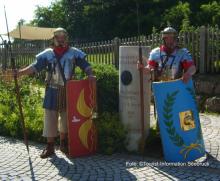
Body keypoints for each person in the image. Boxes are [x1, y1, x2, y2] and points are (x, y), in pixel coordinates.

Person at [16, 27, 95, 158]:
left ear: (66, 38)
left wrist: (90, 75)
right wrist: (20, 73)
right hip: (52, 89)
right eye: (58, 37)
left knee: (65, 117)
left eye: (63, 37)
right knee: (50, 118)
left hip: (68, 90)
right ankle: (50, 147)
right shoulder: (47, 53)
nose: (61, 39)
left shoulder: (74, 52)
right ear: (54, 38)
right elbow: (35, 67)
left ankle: (63, 143)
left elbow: (86, 65)